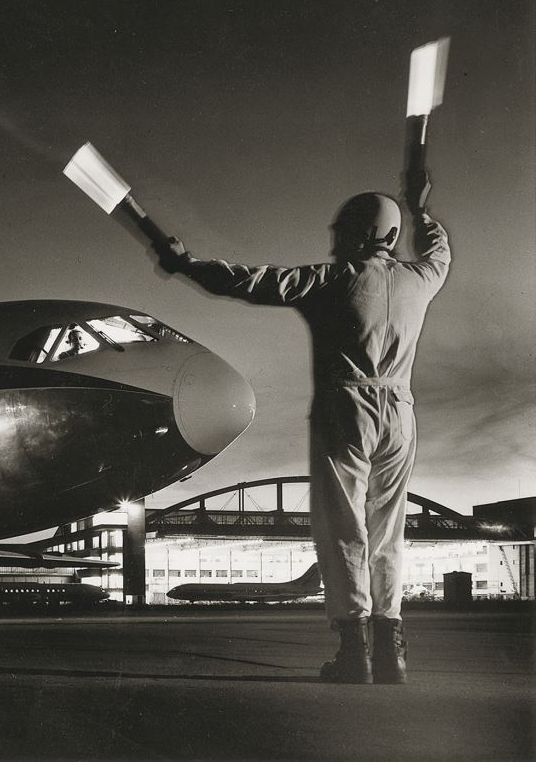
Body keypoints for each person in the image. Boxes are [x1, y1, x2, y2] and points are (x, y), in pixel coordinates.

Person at [156, 190, 450, 684]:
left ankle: (355, 651)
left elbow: (252, 282)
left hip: (346, 407)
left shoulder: (330, 280)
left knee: (342, 529)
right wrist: (422, 210)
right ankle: (391, 650)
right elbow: (440, 249)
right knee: (387, 530)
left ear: (363, 234)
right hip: (400, 411)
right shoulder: (422, 279)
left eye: (342, 229)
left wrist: (188, 265)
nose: (333, 238)